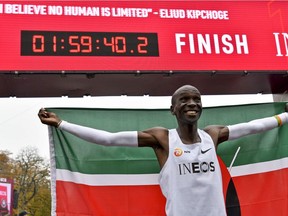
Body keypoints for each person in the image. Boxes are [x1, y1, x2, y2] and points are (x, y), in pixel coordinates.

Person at [38, 85, 288, 216]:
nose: (192, 103)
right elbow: (108, 139)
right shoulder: (163, 139)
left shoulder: (212, 135)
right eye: (185, 100)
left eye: (197, 100)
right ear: (173, 109)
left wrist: (286, 116)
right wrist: (62, 124)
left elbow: (255, 126)